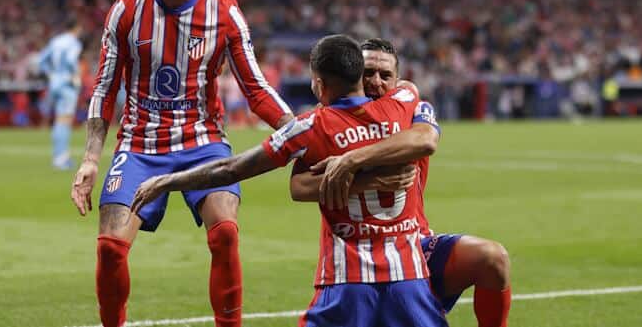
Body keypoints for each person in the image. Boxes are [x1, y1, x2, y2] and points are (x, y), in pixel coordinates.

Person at [69, 0, 294, 327]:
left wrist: (300, 133)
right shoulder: (126, 9)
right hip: (139, 143)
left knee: (224, 233)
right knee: (110, 248)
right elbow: (104, 88)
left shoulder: (224, 13)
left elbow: (256, 89)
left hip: (202, 142)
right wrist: (89, 159)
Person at [131, 35, 447, 327]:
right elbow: (410, 95)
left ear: (319, 84)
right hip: (411, 278)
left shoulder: (309, 127)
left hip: (347, 280)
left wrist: (166, 181)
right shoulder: (402, 105)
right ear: (360, 78)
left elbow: (231, 169)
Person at [293, 38, 511, 327]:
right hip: (358, 255)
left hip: (413, 245)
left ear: (396, 81)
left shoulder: (413, 111)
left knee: (492, 258)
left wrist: (351, 160)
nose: (375, 82)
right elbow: (299, 186)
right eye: (367, 72)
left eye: (385, 76)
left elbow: (424, 134)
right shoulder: (330, 123)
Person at [38, 17, 84, 170]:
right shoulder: (73, 43)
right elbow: (71, 60)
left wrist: (51, 74)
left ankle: (59, 156)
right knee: (64, 121)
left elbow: (41, 60)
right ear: (76, 28)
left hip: (54, 83)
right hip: (67, 85)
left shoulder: (56, 41)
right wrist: (75, 75)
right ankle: (61, 158)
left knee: (59, 120)